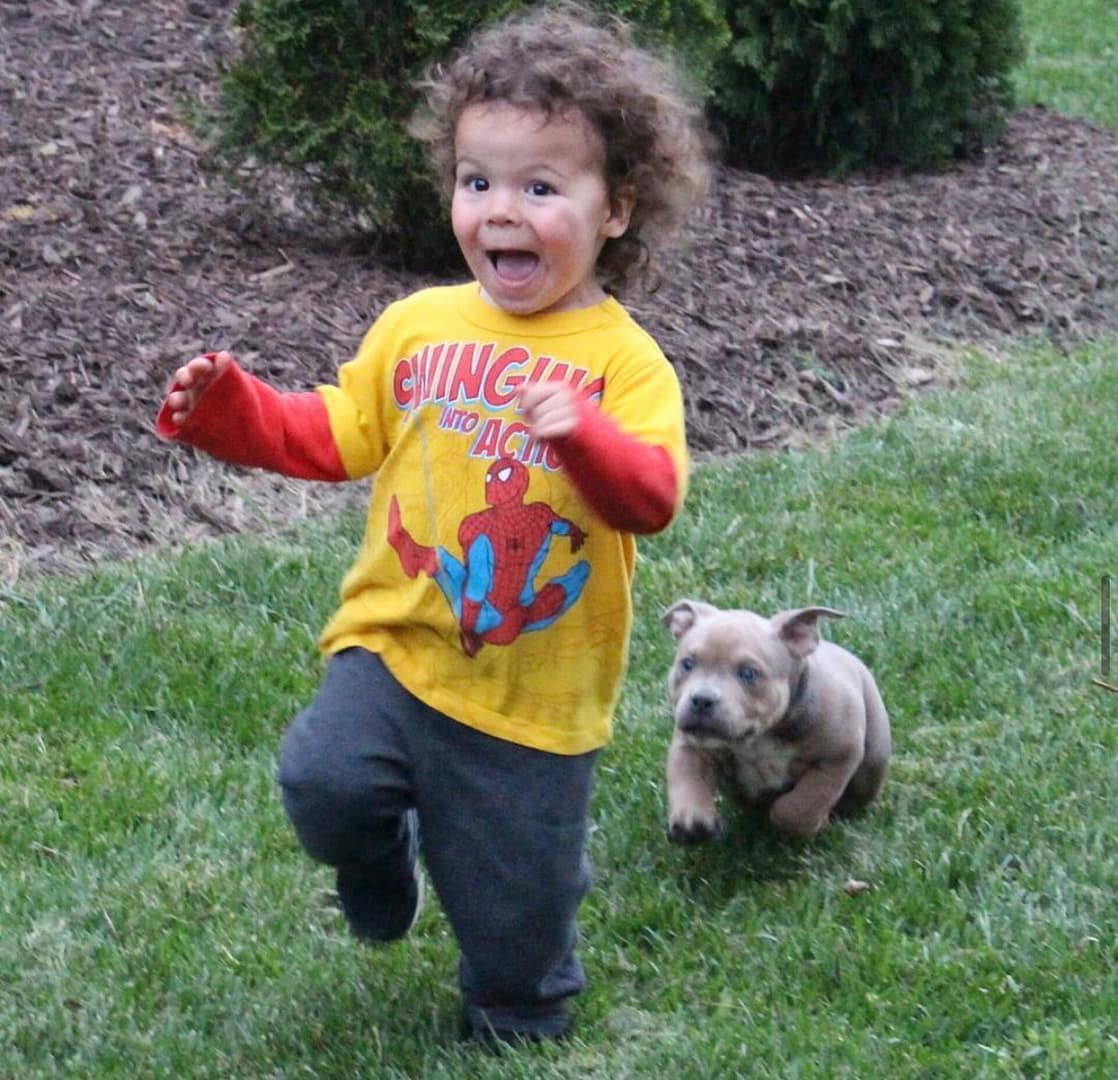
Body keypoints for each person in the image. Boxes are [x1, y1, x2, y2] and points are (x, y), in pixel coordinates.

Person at [155, 0, 710, 1048]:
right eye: (477, 180)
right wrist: (236, 414)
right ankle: (377, 852)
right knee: (322, 781)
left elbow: (651, 498)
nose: (501, 209)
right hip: (399, 642)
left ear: (616, 211)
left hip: (532, 693)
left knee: (515, 918)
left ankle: (521, 1004)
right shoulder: (416, 326)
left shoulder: (623, 363)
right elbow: (335, 432)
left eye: (541, 187)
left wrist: (584, 433)